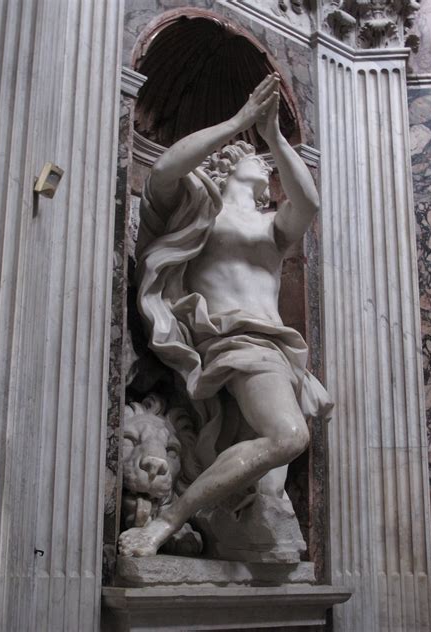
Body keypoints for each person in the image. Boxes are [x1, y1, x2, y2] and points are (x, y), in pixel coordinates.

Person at [119, 73, 332, 557]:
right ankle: (165, 523)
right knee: (288, 435)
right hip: (234, 342)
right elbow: (164, 171)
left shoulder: (271, 227)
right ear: (231, 165)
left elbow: (310, 202)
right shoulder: (199, 210)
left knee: (266, 488)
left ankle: (231, 532)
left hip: (280, 350)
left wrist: (274, 136)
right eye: (258, 157)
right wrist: (239, 121)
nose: (266, 165)